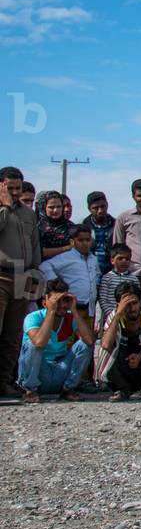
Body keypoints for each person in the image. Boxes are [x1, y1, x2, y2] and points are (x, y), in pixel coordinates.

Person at [0, 166, 42, 398]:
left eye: (18, 188)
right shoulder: (3, 207)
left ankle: (5, 382)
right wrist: (4, 206)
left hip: (21, 277)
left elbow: (35, 244)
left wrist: (34, 272)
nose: (16, 193)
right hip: (0, 275)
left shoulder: (28, 213)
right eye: (10, 188)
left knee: (12, 335)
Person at [17, 278, 93, 403]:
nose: (63, 305)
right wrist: (51, 311)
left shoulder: (69, 318)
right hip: (39, 371)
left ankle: (69, 389)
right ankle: (30, 390)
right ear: (45, 302)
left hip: (59, 371)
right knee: (32, 344)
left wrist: (74, 309)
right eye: (58, 301)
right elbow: (39, 343)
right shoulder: (33, 317)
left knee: (84, 344)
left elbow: (89, 341)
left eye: (65, 300)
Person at [39, 225, 100, 320]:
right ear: (72, 242)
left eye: (87, 240)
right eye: (80, 240)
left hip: (90, 308)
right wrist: (56, 283)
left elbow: (96, 276)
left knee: (87, 334)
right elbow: (44, 266)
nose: (85, 243)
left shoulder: (94, 259)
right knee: (69, 333)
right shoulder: (66, 257)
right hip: (70, 308)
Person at [97, 244, 140, 320]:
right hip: (111, 317)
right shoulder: (107, 278)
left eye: (127, 259)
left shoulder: (134, 279)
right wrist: (113, 315)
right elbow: (103, 300)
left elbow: (137, 299)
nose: (124, 261)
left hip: (128, 317)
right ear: (112, 260)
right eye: (120, 258)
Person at [83, 191, 115, 276]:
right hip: (89, 273)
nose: (100, 211)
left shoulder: (117, 225)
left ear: (107, 205)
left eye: (103, 206)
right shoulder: (82, 227)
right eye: (95, 208)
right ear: (89, 209)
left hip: (111, 274)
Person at [37, 190, 74, 261]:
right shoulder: (39, 228)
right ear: (44, 208)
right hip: (44, 268)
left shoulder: (70, 226)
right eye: (51, 207)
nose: (55, 210)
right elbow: (40, 252)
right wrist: (66, 248)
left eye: (59, 206)